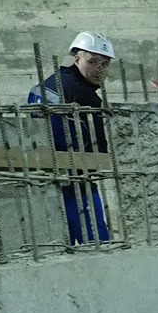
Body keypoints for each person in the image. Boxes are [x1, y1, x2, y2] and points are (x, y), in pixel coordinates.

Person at [28, 32, 115, 245]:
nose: (100, 69)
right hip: (75, 179)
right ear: (77, 58)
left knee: (57, 244)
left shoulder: (47, 84)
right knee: (96, 244)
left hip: (42, 177)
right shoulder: (86, 98)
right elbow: (100, 148)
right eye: (93, 62)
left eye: (105, 63)